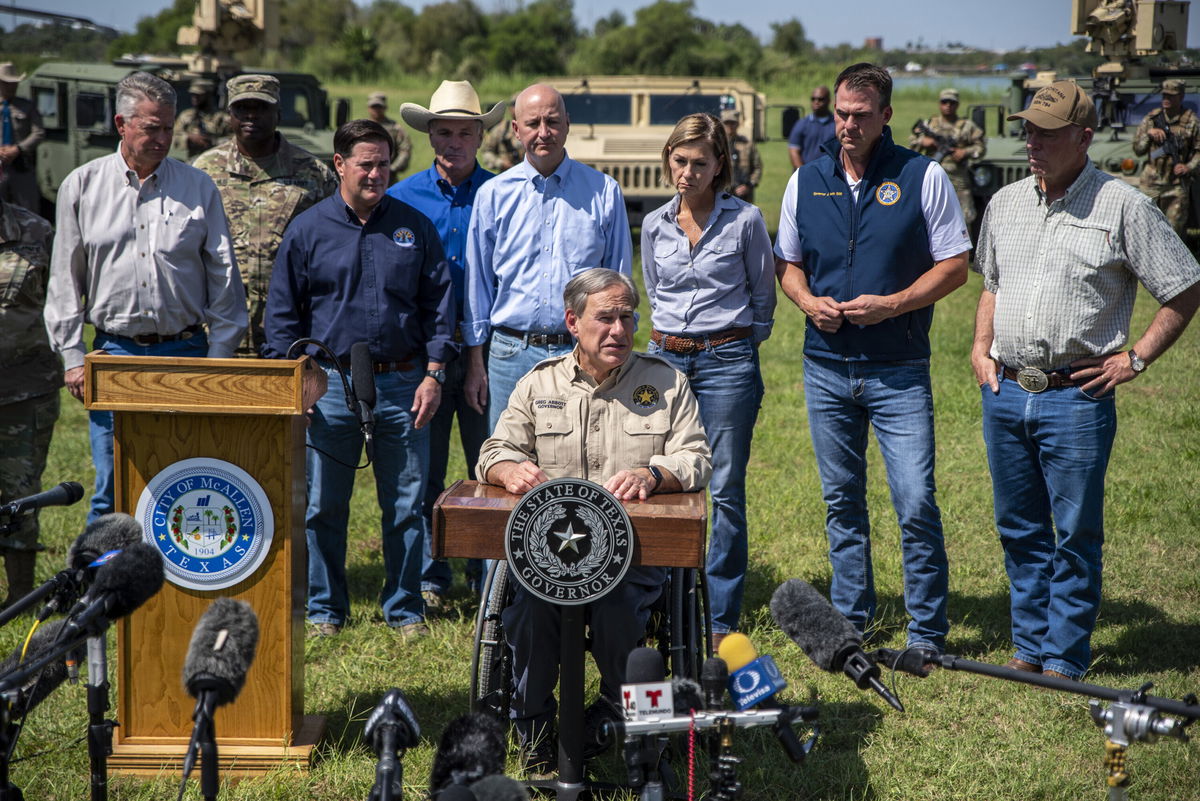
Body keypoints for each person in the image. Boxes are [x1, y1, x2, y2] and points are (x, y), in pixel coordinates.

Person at [971, 80, 1200, 680]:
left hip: (1077, 396)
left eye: (1047, 133)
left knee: (1074, 532)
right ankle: (1028, 646)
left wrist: (1136, 359)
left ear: (1084, 137)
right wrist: (979, 348)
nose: (1033, 143)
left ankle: (1065, 656)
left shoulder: (1124, 206)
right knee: (1018, 527)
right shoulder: (1006, 203)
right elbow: (991, 283)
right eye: (1028, 130)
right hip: (1007, 391)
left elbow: (1184, 285)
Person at [477, 268, 711, 772]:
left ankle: (618, 714)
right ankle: (534, 726)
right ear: (572, 322)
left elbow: (697, 458)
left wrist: (654, 474)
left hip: (633, 556)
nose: (619, 330)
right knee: (529, 613)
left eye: (627, 317)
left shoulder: (666, 383)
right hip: (549, 557)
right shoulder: (538, 384)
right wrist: (507, 467)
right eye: (605, 318)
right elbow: (494, 449)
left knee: (615, 609)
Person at [775, 63, 971, 653]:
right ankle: (851, 621)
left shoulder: (921, 175)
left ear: (886, 115)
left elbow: (955, 265)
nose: (847, 125)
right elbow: (789, 265)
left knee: (913, 499)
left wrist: (894, 305)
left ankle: (928, 632)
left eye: (861, 115)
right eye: (840, 113)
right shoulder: (806, 180)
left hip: (898, 369)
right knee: (842, 501)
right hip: (827, 367)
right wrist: (808, 303)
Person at [264, 119, 455, 640]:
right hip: (328, 386)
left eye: (383, 164)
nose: (375, 174)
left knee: (406, 503)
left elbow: (439, 305)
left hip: (402, 382)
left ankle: (405, 606)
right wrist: (294, 380)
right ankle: (326, 609)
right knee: (324, 504)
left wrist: (434, 373)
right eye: (365, 164)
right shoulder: (308, 230)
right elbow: (282, 316)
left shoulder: (413, 227)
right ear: (339, 165)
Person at [44, 72, 247, 524]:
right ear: (122, 123)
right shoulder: (81, 187)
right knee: (113, 486)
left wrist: (218, 357)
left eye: (168, 128)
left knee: (188, 480)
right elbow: (64, 280)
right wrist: (74, 357)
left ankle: (179, 588)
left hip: (187, 354)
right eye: (150, 127)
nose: (162, 138)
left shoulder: (197, 187)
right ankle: (103, 590)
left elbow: (223, 273)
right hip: (113, 355)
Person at [640, 113, 775, 646]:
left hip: (727, 363)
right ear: (668, 161)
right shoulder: (654, 225)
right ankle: (657, 603)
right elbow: (655, 291)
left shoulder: (745, 221)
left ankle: (719, 616)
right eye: (679, 161)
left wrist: (736, 345)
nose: (688, 172)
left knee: (725, 489)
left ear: (720, 165)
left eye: (700, 163)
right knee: (658, 479)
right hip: (665, 362)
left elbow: (762, 297)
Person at [389, 80, 504, 606]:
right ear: (429, 134)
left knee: (492, 465)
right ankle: (433, 577)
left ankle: (489, 575)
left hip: (489, 352)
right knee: (426, 471)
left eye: (464, 131)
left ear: (480, 135)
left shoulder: (503, 193)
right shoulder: (400, 199)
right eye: (443, 131)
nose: (453, 141)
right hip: (424, 357)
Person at [464, 83, 633, 431]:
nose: (544, 133)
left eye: (553, 122)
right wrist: (475, 362)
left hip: (581, 351)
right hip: (509, 353)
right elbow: (477, 283)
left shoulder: (603, 191)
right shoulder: (493, 195)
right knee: (510, 464)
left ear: (568, 124)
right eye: (533, 123)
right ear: (515, 130)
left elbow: (619, 277)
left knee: (580, 461)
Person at [193, 74, 337, 356]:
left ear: (278, 113)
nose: (251, 116)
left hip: (290, 335)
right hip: (219, 333)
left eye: (261, 108)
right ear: (229, 114)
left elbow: (335, 246)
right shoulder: (205, 170)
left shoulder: (313, 173)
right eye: (242, 108)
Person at [0, 161, 60, 606]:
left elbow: (66, 301)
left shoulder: (36, 232)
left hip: (24, 390)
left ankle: (21, 597)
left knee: (22, 496)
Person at [1132, 78, 1200, 237]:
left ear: (1181, 97)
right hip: (1151, 183)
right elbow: (1138, 149)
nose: (1166, 100)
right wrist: (1149, 135)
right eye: (1164, 96)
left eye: (1171, 96)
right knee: (1144, 228)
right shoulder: (1151, 120)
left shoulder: (1192, 122)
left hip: (1176, 185)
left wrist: (1188, 167)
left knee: (1173, 232)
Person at [909, 88, 986, 226]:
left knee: (964, 220)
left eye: (952, 102)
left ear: (957, 105)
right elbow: (912, 143)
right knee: (929, 217)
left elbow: (980, 148)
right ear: (940, 104)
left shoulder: (967, 127)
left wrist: (964, 152)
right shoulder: (930, 125)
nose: (948, 105)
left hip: (959, 180)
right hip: (932, 178)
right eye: (945, 102)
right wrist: (923, 141)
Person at [0, 63, 44, 213]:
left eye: (14, 84)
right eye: (7, 84)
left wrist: (18, 149)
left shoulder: (27, 106)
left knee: (27, 210)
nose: (11, 87)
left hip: (21, 166)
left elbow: (38, 133)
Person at [172, 78, 231, 160]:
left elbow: (233, 140)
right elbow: (173, 136)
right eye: (193, 94)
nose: (195, 98)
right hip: (191, 160)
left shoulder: (222, 118)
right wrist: (189, 138)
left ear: (208, 95)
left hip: (215, 161)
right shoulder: (186, 116)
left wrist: (212, 141)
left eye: (199, 95)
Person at [367, 92, 413, 178]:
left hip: (389, 178)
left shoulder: (395, 128)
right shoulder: (362, 127)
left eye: (379, 107)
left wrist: (391, 168)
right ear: (368, 108)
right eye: (374, 107)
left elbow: (405, 150)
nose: (376, 110)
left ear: (385, 108)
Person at [720, 109, 762, 203]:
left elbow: (757, 167)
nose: (730, 126)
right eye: (727, 123)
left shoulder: (747, 144)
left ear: (738, 124)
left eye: (733, 123)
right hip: (721, 193)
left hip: (743, 194)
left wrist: (749, 185)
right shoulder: (717, 144)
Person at [788, 85, 833, 169]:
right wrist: (803, 172)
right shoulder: (801, 124)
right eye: (813, 99)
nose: (816, 102)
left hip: (830, 174)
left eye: (821, 99)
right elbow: (794, 151)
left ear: (829, 101)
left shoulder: (837, 124)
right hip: (806, 172)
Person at [479, 107, 523, 173]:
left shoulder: (532, 128)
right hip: (506, 173)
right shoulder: (500, 129)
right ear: (510, 109)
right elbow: (487, 152)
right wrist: (500, 163)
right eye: (514, 105)